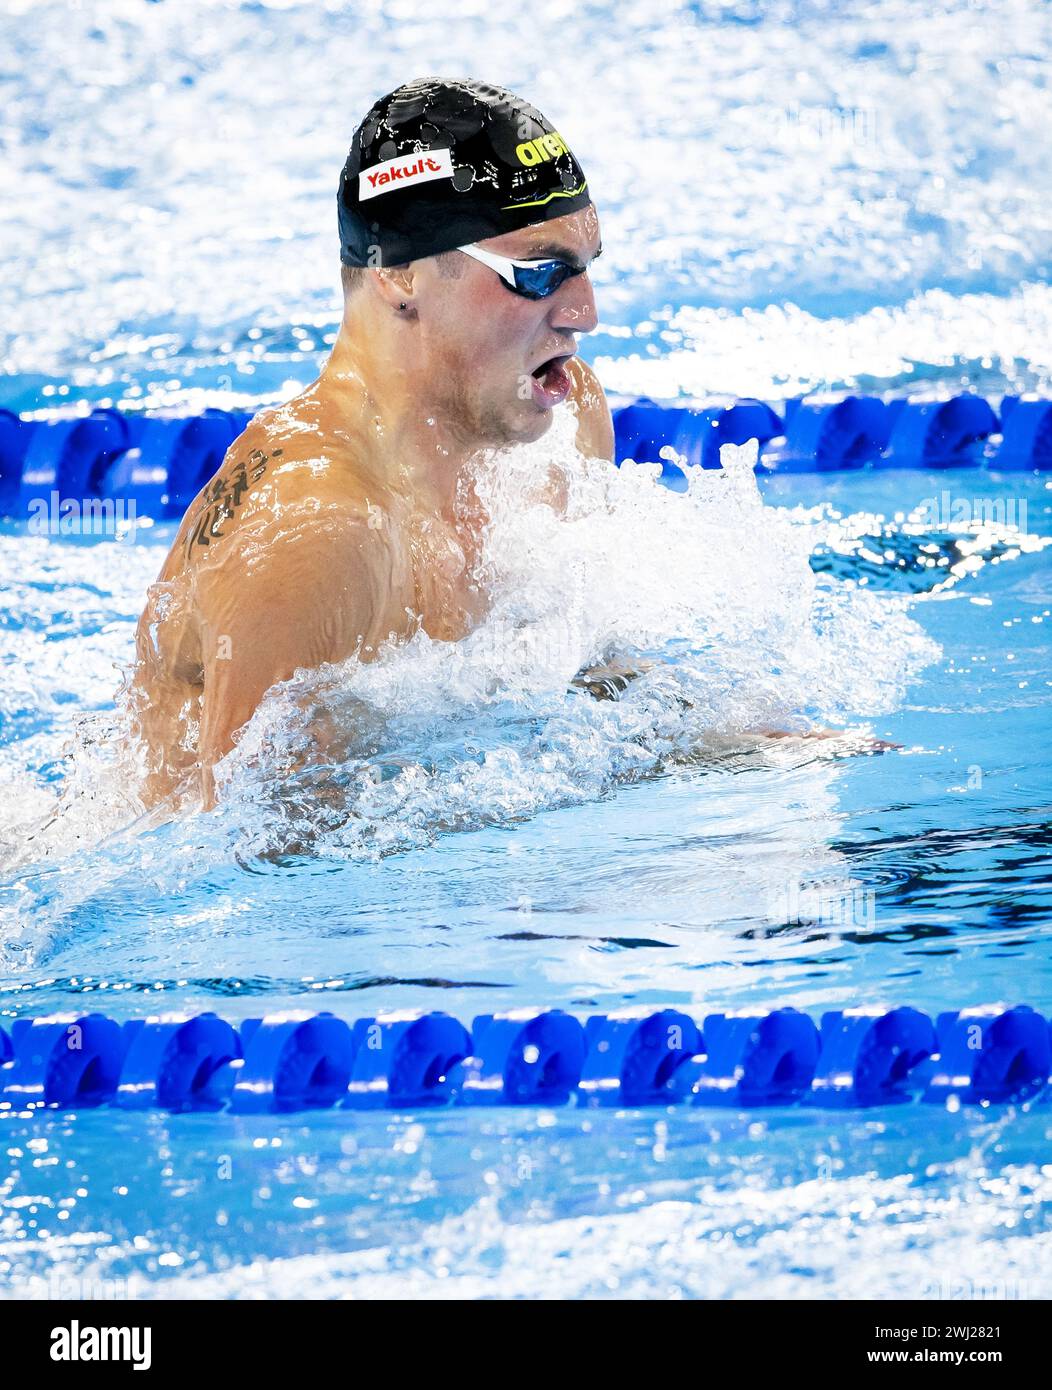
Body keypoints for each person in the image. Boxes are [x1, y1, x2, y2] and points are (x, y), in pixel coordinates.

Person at [127, 78, 617, 812]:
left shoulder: (563, 419)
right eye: (539, 272)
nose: (584, 313)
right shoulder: (315, 531)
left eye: (584, 268)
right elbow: (250, 870)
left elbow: (605, 688)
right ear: (401, 275)